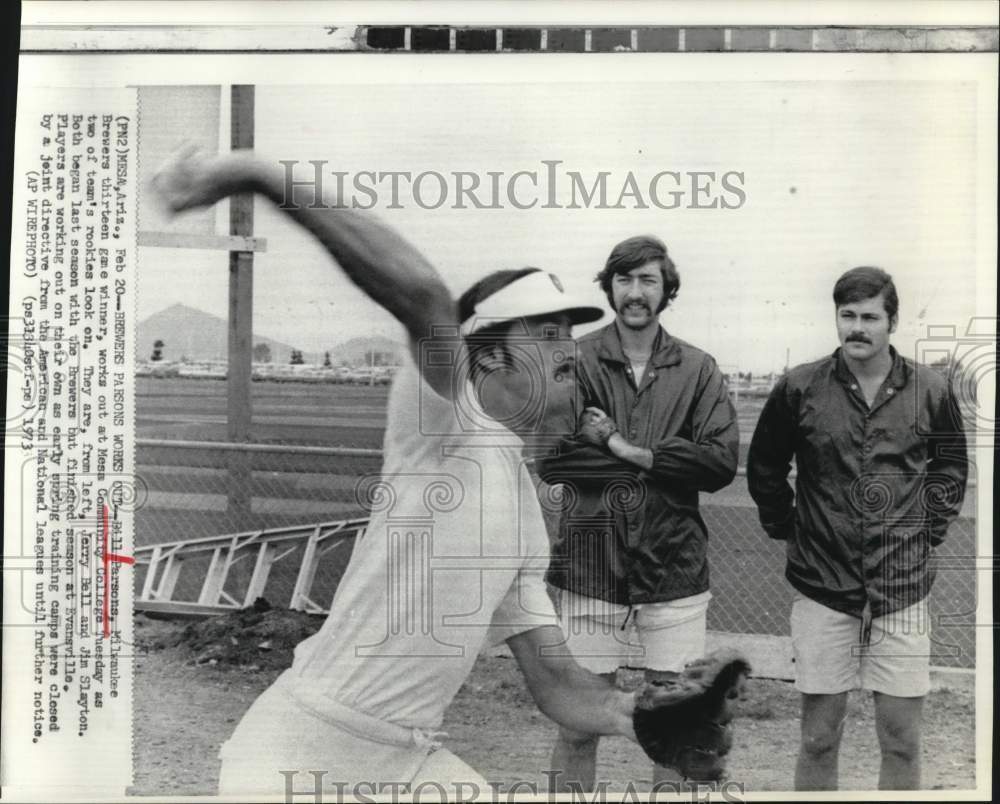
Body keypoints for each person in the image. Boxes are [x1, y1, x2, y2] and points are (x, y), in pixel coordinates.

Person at [152, 146, 651, 796]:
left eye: (570, 335)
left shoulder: (528, 515)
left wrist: (642, 716)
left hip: (407, 761)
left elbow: (559, 688)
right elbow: (420, 295)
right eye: (547, 334)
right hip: (298, 753)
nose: (571, 350)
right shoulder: (445, 419)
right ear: (488, 359)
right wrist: (261, 175)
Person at [746, 266, 968, 791]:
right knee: (819, 739)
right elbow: (765, 467)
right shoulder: (800, 386)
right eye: (848, 315)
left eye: (870, 316)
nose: (857, 328)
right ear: (836, 318)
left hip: (903, 590)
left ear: (893, 321)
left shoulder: (931, 390)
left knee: (901, 741)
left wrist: (925, 535)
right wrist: (789, 529)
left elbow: (949, 471)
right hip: (823, 587)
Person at [540, 235, 739, 790]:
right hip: (590, 565)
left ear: (666, 289)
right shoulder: (574, 361)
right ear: (609, 287)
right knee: (578, 726)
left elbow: (720, 463)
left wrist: (626, 449)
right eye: (624, 279)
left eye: (647, 280)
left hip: (674, 567)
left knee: (674, 729)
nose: (635, 292)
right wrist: (667, 463)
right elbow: (555, 458)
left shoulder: (698, 368)